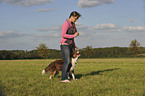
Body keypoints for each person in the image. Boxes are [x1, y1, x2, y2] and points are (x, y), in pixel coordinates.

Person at [60, 11, 81, 82]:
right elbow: (63, 35)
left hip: (71, 45)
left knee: (71, 62)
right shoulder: (66, 24)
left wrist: (74, 46)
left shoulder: (72, 25)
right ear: (72, 16)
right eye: (76, 18)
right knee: (67, 61)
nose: (76, 20)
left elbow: (72, 39)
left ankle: (70, 76)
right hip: (65, 44)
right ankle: (63, 78)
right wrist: (73, 35)